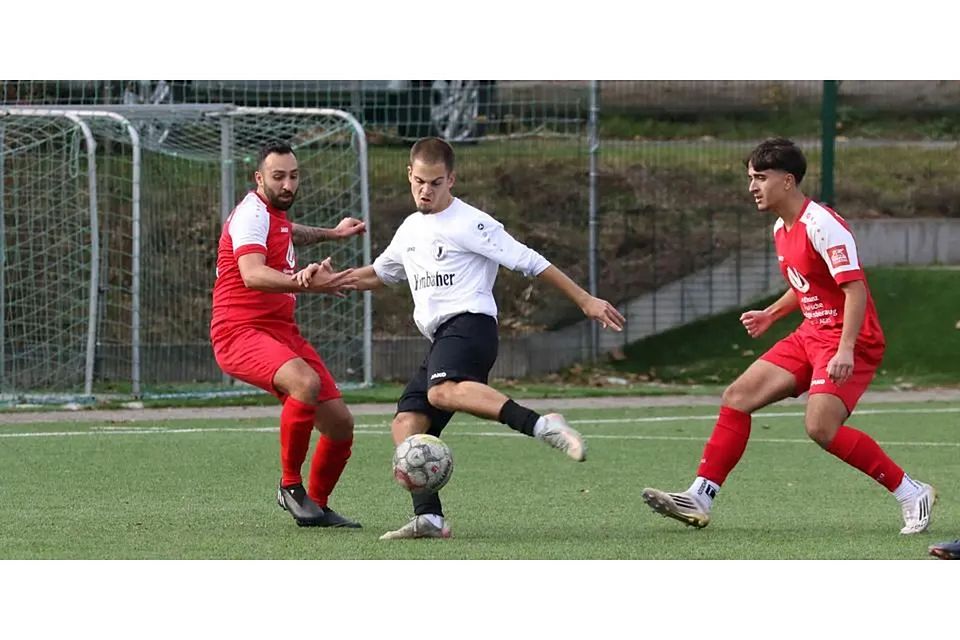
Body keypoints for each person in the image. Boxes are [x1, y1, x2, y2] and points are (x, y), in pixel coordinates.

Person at [297, 136, 626, 540]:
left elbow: (531, 262)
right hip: (441, 337)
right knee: (406, 423)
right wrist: (334, 280)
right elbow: (382, 274)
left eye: (436, 182)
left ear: (451, 179)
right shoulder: (410, 229)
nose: (426, 190)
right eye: (419, 181)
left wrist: (586, 300)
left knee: (440, 393)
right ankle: (429, 517)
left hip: (471, 326)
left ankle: (543, 425)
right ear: (409, 175)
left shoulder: (472, 223)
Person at [642, 137, 936, 535]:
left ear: (788, 181)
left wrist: (846, 348)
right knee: (737, 397)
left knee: (821, 427)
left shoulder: (823, 225)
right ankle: (700, 495)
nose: (752, 187)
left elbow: (855, 289)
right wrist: (770, 314)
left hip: (850, 337)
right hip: (811, 333)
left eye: (761, 177)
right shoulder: (782, 228)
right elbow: (806, 284)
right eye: (750, 178)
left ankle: (910, 491)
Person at [211, 141, 365, 528]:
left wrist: (333, 234)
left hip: (281, 331)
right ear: (258, 178)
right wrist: (308, 284)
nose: (288, 184)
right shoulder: (251, 214)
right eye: (278, 177)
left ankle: (316, 507)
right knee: (304, 383)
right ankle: (290, 487)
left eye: (294, 176)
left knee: (340, 425)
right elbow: (252, 274)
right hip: (238, 330)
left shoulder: (272, 215)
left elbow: (290, 231)